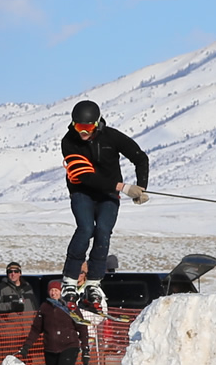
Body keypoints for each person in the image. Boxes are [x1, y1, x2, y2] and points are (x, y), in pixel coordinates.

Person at [60, 99, 150, 307]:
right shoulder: (69, 142)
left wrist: (141, 187)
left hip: (108, 196)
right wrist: (124, 188)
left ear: (97, 124)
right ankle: (70, 279)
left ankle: (94, 281)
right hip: (82, 192)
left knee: (103, 230)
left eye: (87, 127)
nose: (82, 132)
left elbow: (140, 158)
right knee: (85, 229)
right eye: (78, 127)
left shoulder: (112, 137)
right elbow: (87, 177)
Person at [19, 280, 89, 365]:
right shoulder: (44, 307)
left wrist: (85, 349)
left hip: (69, 346)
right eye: (51, 290)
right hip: (50, 348)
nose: (53, 293)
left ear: (61, 292)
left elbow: (82, 327)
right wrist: (26, 347)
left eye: (56, 290)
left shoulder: (70, 307)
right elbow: (35, 329)